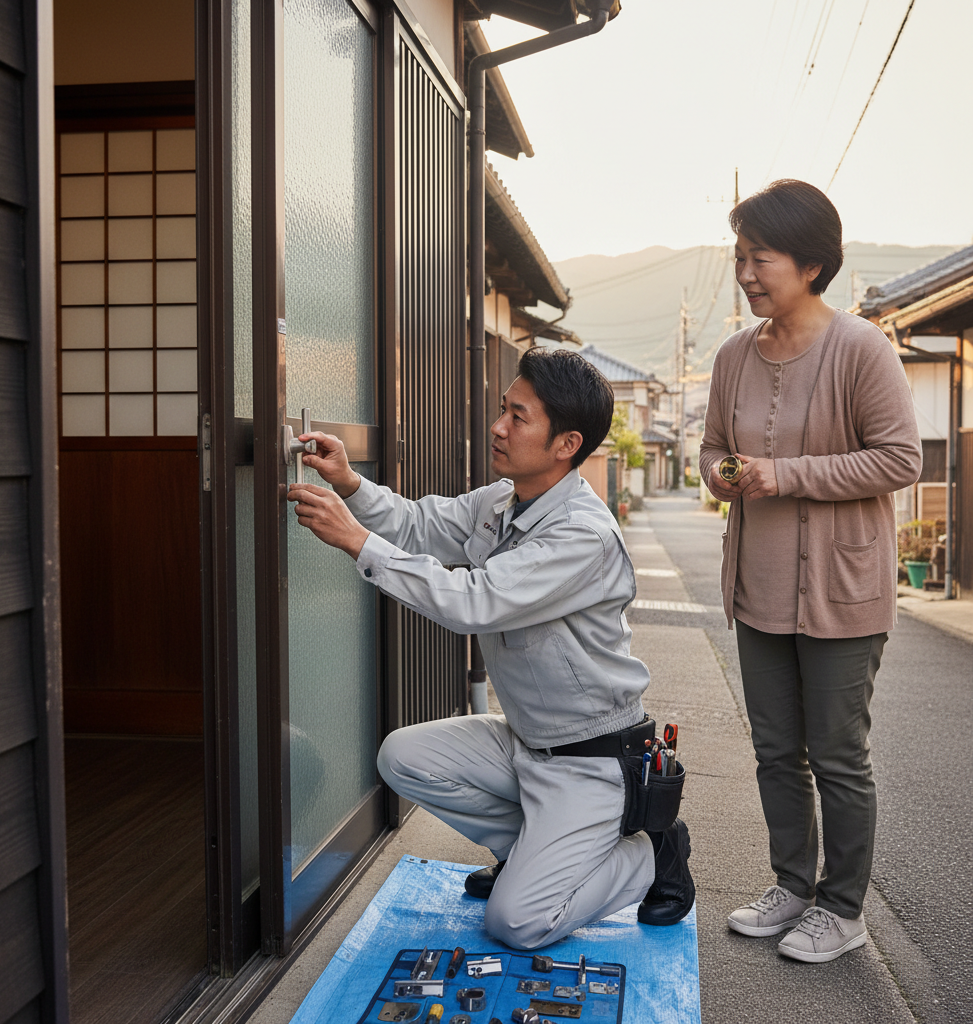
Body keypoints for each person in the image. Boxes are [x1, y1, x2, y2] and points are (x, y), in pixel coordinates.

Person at [287, 347, 694, 950]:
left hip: (589, 762)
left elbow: (472, 600)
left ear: (566, 443)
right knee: (402, 756)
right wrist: (349, 483)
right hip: (527, 740)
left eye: (518, 416)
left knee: (517, 923)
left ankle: (650, 856)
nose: (499, 427)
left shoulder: (582, 534)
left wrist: (358, 542)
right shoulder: (503, 500)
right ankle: (530, 851)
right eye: (503, 409)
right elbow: (422, 523)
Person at [699, 180, 921, 964]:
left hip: (842, 592)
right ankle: (793, 886)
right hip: (758, 589)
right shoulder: (733, 356)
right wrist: (723, 474)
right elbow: (712, 450)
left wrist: (783, 474)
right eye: (740, 258)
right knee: (774, 750)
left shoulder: (860, 347)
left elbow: (900, 458)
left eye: (760, 258)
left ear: (811, 263)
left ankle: (843, 907)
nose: (747, 273)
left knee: (837, 756)